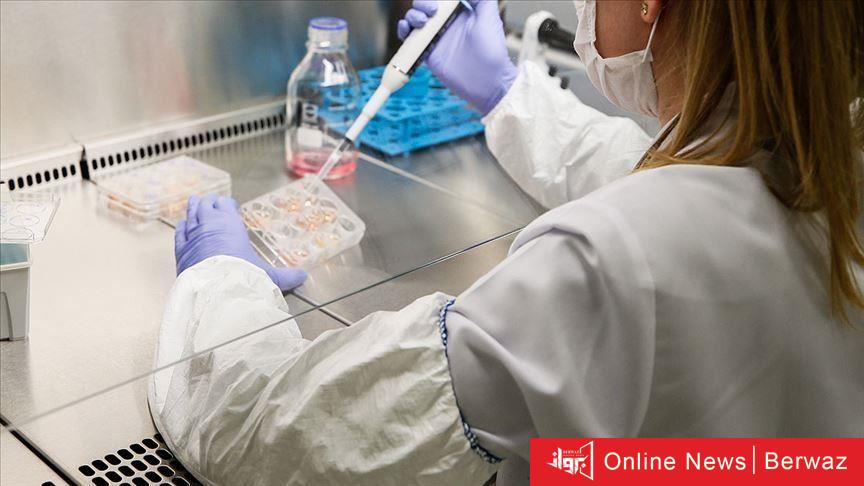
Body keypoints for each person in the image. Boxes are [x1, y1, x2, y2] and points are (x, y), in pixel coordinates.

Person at [150, 1, 864, 484]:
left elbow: (265, 437)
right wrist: (503, 91)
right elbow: (672, 187)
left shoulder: (598, 264)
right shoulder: (836, 170)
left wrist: (222, 279)